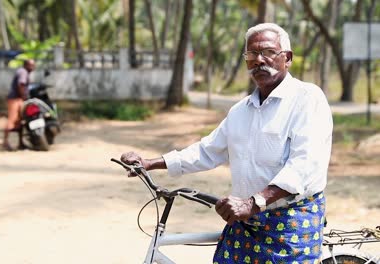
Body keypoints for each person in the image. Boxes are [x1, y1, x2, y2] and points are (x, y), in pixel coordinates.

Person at [120, 23, 333, 263]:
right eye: (251, 54)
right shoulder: (240, 110)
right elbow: (206, 151)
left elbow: (303, 166)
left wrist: (254, 202)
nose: (259, 60)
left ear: (287, 58)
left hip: (290, 224)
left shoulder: (307, 99)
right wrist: (149, 163)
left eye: (268, 52)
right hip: (246, 222)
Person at [2, 59, 35, 151]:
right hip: (15, 99)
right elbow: (21, 85)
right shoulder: (23, 72)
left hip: (19, 98)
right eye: (31, 65)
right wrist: (24, 97)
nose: (33, 67)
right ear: (26, 65)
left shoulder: (23, 72)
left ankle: (21, 143)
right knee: (12, 120)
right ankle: (5, 142)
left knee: (20, 121)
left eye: (33, 65)